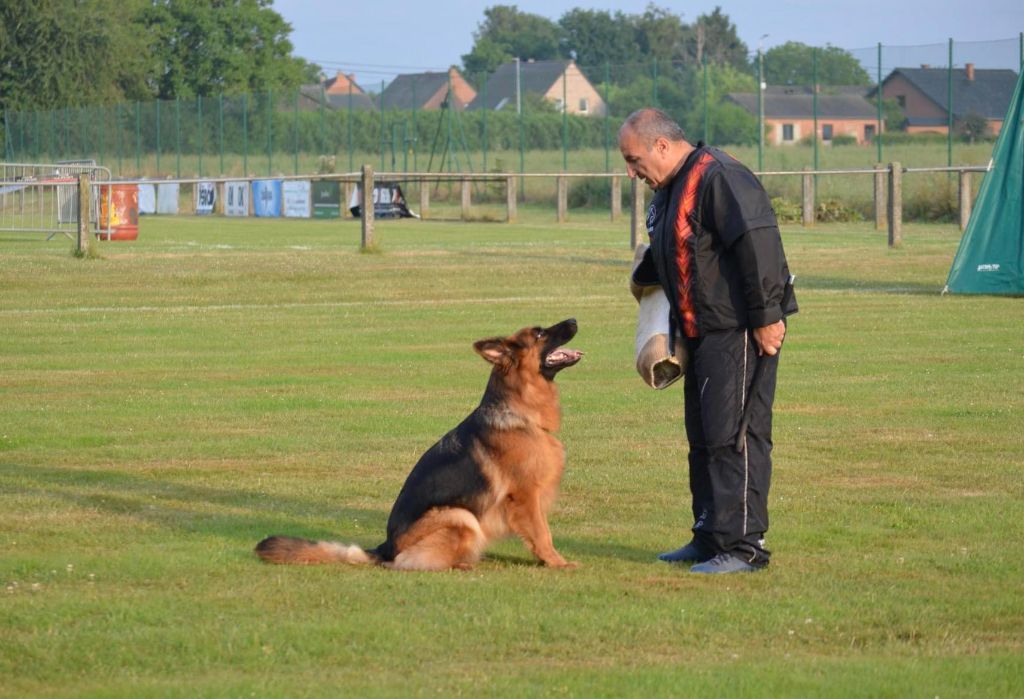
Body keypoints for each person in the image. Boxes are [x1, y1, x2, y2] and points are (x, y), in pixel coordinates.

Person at [620, 108, 797, 574]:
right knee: (702, 439)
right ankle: (709, 535)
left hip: (737, 329)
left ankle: (744, 547)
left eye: (634, 159)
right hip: (698, 332)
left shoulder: (720, 176)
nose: (631, 171)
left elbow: (759, 245)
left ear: (662, 145)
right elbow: (675, 253)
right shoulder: (666, 191)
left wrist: (767, 316)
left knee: (734, 437)